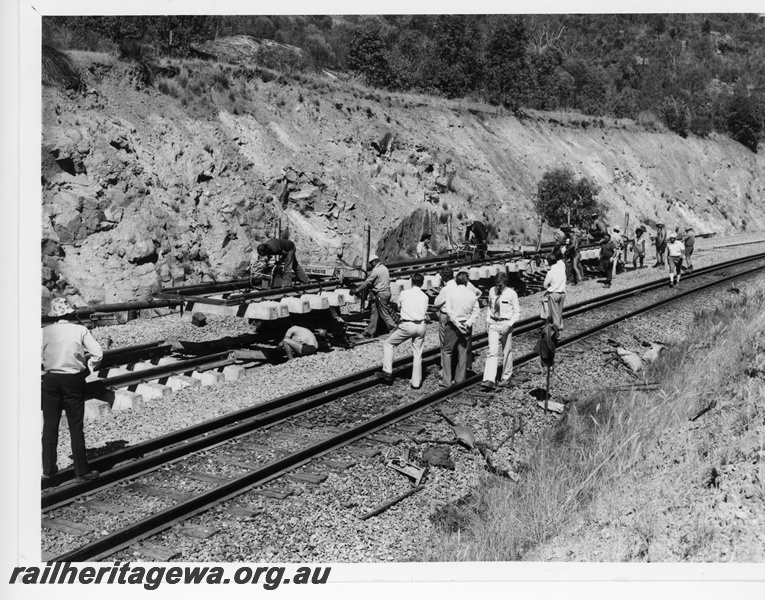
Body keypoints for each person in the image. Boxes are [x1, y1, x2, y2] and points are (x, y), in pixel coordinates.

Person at [41, 298, 103, 483]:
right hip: (73, 380)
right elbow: (98, 353)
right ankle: (81, 471)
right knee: (75, 426)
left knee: (50, 426)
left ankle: (49, 470)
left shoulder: (43, 331)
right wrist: (88, 368)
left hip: (50, 380)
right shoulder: (80, 330)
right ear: (70, 312)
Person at [379, 272, 429, 388]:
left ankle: (387, 371)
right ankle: (416, 383)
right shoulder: (425, 297)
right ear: (422, 284)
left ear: (411, 282)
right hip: (421, 325)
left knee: (389, 344)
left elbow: (399, 307)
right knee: (417, 353)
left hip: (407, 325)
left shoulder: (404, 293)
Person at [434, 268, 480, 380]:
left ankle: (447, 379)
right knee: (462, 351)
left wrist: (457, 323)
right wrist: (468, 323)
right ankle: (460, 379)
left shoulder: (449, 291)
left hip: (453, 323)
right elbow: (476, 310)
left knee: (446, 350)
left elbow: (448, 310)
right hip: (466, 323)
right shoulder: (471, 292)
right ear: (466, 281)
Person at [480, 272, 520, 391]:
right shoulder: (492, 291)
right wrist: (488, 320)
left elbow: (517, 312)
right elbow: (490, 306)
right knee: (492, 351)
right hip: (493, 323)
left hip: (505, 323)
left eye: (501, 285)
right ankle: (489, 380)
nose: (498, 287)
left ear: (505, 283)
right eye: (497, 285)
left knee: (506, 351)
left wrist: (509, 325)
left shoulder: (512, 294)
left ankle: (506, 377)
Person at [350, 254, 397, 341]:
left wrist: (357, 290)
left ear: (375, 262)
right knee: (374, 313)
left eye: (371, 263)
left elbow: (367, 282)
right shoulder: (384, 268)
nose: (370, 266)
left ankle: (394, 329)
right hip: (384, 293)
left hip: (381, 294)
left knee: (384, 313)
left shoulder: (376, 270)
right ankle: (369, 331)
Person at [540, 253, 566, 335]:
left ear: (548, 262)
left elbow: (545, 285)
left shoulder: (550, 272)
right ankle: (560, 327)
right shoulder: (562, 269)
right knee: (559, 312)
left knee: (554, 313)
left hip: (554, 294)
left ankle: (556, 332)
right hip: (562, 293)